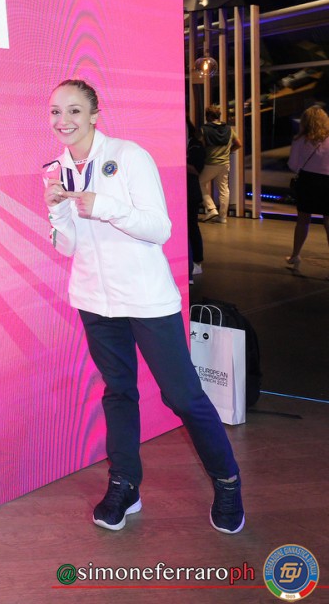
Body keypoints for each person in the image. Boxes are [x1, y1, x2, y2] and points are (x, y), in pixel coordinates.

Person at [42, 79, 244, 533]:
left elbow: (159, 229)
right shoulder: (57, 169)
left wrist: (104, 205)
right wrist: (56, 211)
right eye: (55, 111)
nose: (63, 120)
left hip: (147, 299)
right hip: (94, 301)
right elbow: (67, 246)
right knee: (118, 392)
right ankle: (125, 484)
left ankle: (228, 482)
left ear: (94, 115)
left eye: (74, 110)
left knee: (183, 396)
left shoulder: (129, 156)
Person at [285, 104, 329, 271]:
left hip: (308, 182)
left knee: (303, 220)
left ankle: (295, 255)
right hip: (328, 182)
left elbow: (293, 165)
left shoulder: (300, 140)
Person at [199, 104, 241, 223]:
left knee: (199, 183)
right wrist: (229, 151)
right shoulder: (229, 129)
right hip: (225, 163)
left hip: (211, 163)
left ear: (208, 116)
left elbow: (200, 145)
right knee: (224, 189)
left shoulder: (204, 129)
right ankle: (222, 217)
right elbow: (239, 144)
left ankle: (211, 208)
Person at [187, 118, 206, 282]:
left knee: (192, 227)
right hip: (183, 191)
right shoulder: (190, 144)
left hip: (191, 192)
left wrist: (179, 160)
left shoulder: (196, 145)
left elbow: (196, 169)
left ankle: (197, 261)